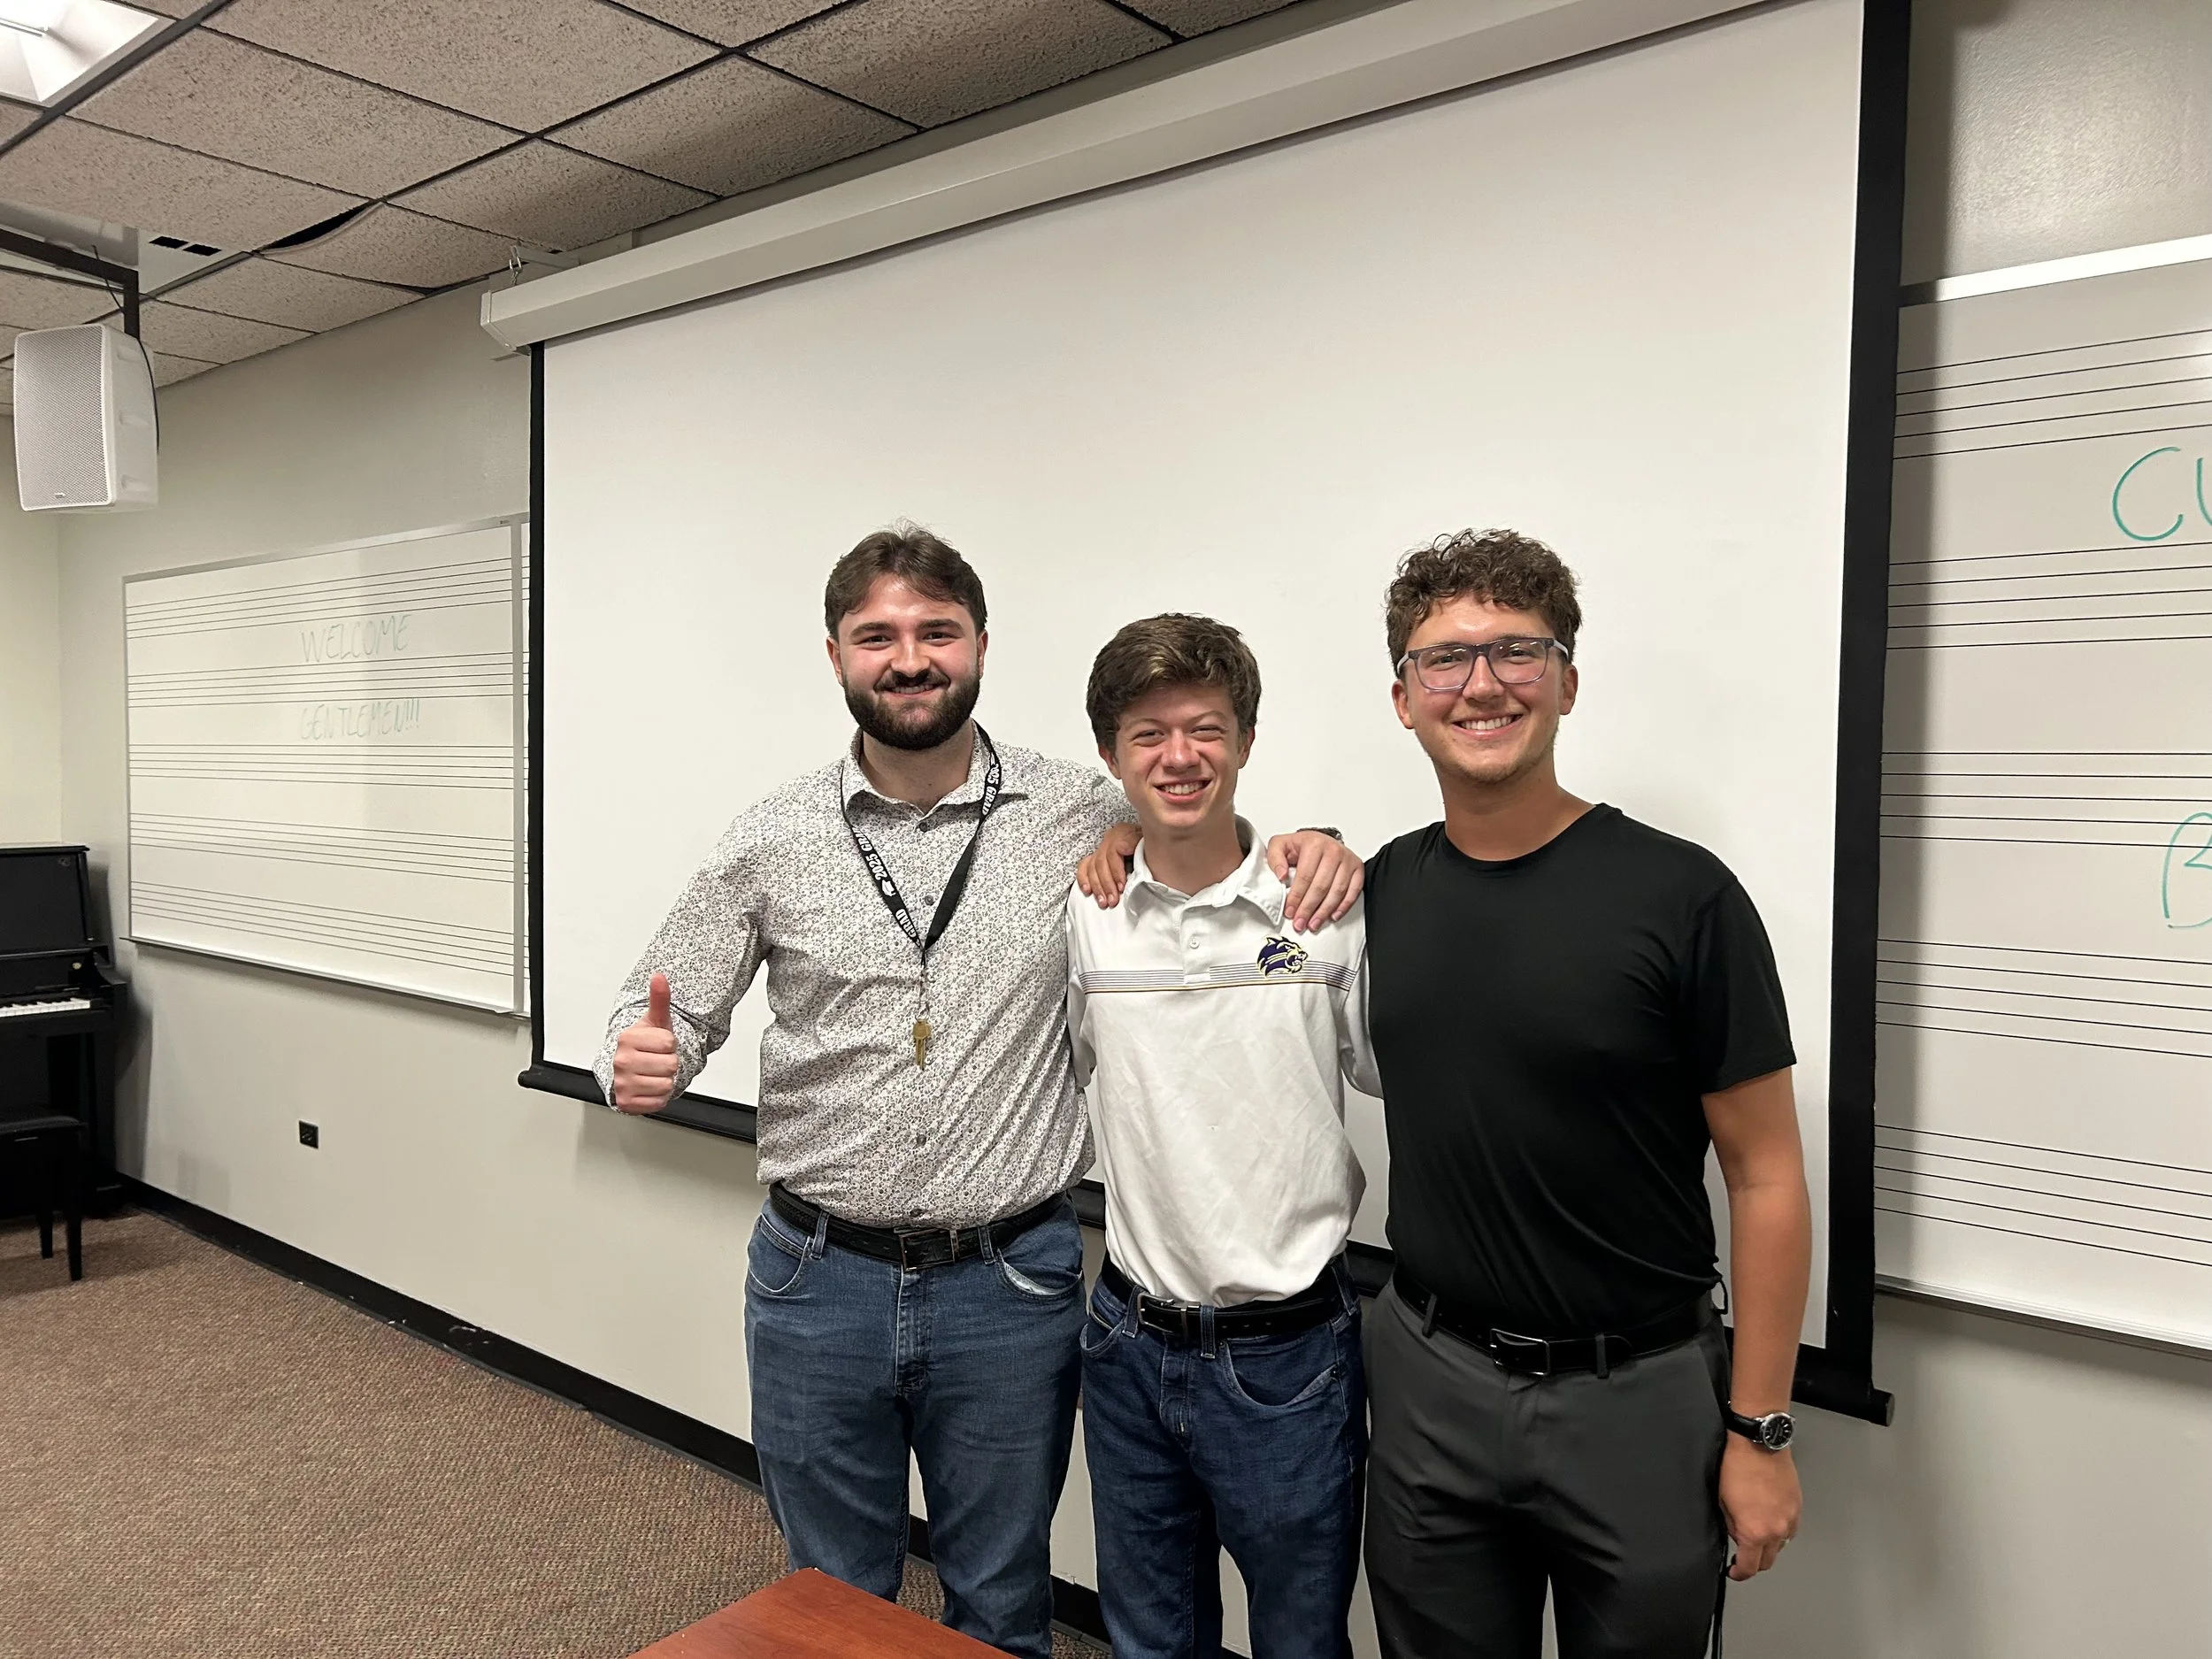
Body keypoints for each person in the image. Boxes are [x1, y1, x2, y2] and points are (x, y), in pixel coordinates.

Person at [595, 525, 1361, 1659]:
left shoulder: (1072, 813)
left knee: (1003, 1602)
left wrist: (1316, 842)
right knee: (828, 1598)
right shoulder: (768, 836)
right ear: (836, 655)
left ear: (981, 646)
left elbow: (1204, 817)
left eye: (936, 632)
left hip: (1009, 1283)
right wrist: (640, 1050)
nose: (909, 659)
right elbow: (666, 1002)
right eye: (878, 637)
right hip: (817, 1280)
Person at [1360, 529, 1810, 1659]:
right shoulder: (1379, 890)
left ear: (1566, 679)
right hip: (1429, 1379)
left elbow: (1765, 1175)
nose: (1481, 683)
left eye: (1518, 650)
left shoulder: (1684, 897)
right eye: (1444, 659)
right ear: (1404, 699)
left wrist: (1759, 1429)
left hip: (1638, 1397)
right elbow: (1207, 870)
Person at [1064, 614, 1375, 1659]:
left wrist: (1333, 840)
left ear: (1243, 741)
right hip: (1126, 1341)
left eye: (1204, 728)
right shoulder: (1085, 912)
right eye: (1148, 735)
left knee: (1299, 1641)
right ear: (1111, 757)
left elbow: (1387, 1070)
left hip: (1288, 1358)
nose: (1179, 757)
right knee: (1150, 1640)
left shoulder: (1321, 905)